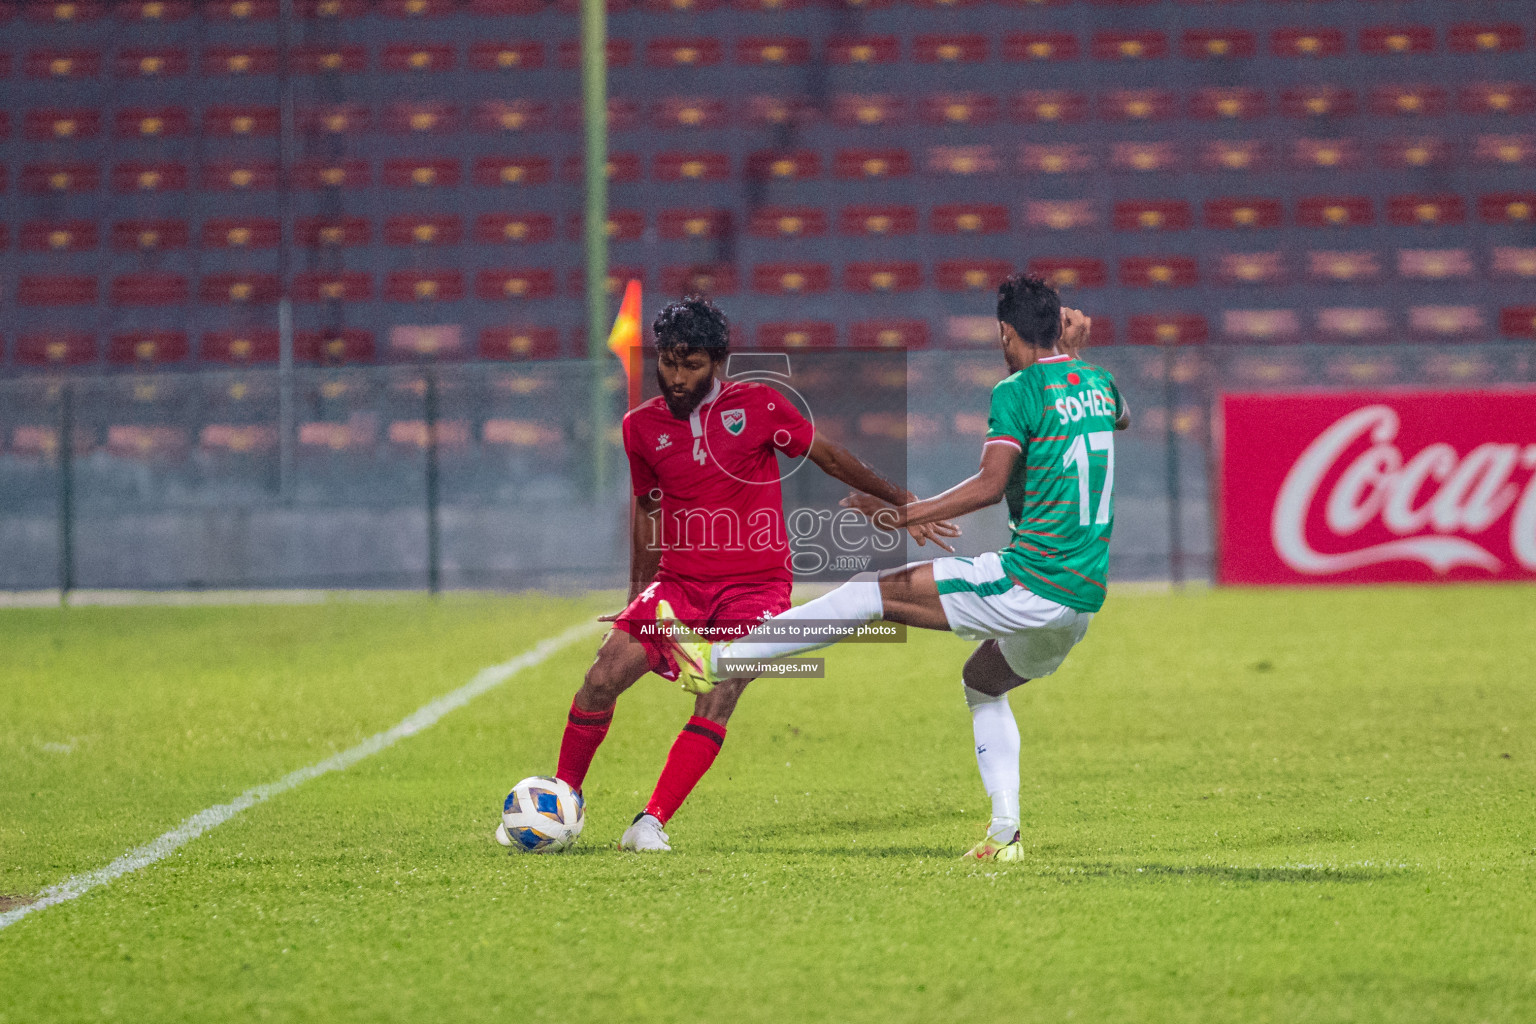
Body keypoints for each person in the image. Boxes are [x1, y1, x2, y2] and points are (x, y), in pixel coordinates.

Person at [663, 275, 1129, 861]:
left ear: (1005, 331)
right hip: (1080, 601)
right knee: (983, 683)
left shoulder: (1017, 389)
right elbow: (1117, 418)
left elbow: (989, 485)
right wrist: (1076, 356)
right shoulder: (1099, 381)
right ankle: (1005, 832)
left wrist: (902, 515)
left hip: (1030, 580)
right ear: (1061, 327)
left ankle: (717, 658)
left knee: (866, 593)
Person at [534, 296, 958, 853]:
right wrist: (638, 593)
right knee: (601, 676)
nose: (678, 377)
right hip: (679, 585)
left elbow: (827, 456)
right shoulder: (640, 426)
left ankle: (650, 822)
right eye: (668, 362)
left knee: (725, 684)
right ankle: (563, 800)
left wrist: (900, 500)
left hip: (757, 587)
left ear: (719, 363)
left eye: (692, 365)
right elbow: (647, 506)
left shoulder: (758, 405)